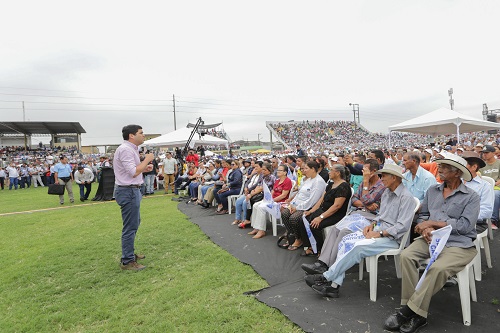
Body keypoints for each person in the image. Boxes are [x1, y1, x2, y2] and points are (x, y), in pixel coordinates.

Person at [384, 154, 479, 333]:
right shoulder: (433, 190)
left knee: (438, 269)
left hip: (458, 243)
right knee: (406, 256)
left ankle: (409, 312)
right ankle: (414, 309)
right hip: (431, 238)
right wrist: (425, 228)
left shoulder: (471, 196)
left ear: (457, 172)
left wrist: (433, 224)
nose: (439, 169)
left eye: (443, 167)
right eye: (440, 166)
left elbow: (465, 226)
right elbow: (424, 215)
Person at [303, 164, 416, 299]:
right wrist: (372, 225)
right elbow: (381, 215)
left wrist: (379, 233)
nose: (382, 178)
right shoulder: (387, 192)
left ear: (395, 178)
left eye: (384, 176)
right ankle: (333, 287)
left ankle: (326, 277)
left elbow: (401, 227)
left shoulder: (406, 197)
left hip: (393, 238)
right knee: (346, 241)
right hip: (379, 230)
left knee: (357, 247)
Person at [113, 124, 154, 271]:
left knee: (134, 223)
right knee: (130, 226)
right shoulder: (125, 150)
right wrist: (147, 160)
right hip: (128, 191)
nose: (144, 135)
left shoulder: (131, 149)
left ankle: (129, 254)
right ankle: (127, 261)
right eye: (141, 133)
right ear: (132, 135)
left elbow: (134, 171)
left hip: (131, 190)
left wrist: (144, 168)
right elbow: (133, 172)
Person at [299, 164, 351, 256]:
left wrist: (321, 217)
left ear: (338, 173)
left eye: (331, 170)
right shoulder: (331, 184)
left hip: (336, 214)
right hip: (324, 210)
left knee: (314, 225)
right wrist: (311, 211)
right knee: (303, 219)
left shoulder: (344, 186)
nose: (329, 172)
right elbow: (321, 200)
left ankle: (321, 250)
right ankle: (310, 246)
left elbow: (337, 206)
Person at [280, 160, 327, 251]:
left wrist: (297, 208)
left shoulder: (318, 182)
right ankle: (293, 235)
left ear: (313, 169)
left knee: (294, 218)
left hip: (309, 207)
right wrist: (291, 205)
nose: (303, 170)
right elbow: (299, 194)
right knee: (285, 213)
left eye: (306, 168)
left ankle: (299, 239)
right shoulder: (308, 179)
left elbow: (312, 201)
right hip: (297, 204)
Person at [249, 164, 292, 239]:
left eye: (280, 170)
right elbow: (273, 191)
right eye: (278, 170)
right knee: (255, 205)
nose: (278, 171)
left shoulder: (287, 181)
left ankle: (261, 230)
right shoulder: (277, 180)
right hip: (273, 201)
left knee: (261, 207)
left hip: (280, 202)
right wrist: (269, 199)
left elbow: (283, 195)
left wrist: (272, 200)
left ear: (285, 172)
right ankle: (256, 228)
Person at [478, 144, 500, 228]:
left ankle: (494, 220)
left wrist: (493, 184)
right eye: (483, 153)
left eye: (487, 152)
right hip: (485, 187)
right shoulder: (482, 165)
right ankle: (481, 218)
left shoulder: (499, 163)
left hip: (497, 187)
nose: (485, 154)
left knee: (495, 194)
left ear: (493, 153)